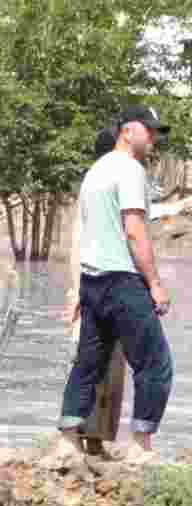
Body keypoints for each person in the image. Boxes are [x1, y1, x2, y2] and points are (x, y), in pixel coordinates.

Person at [53, 104, 174, 465]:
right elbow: (134, 232)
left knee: (88, 364)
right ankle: (140, 447)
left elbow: (87, 232)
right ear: (127, 130)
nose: (153, 138)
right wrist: (154, 283)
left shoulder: (95, 171)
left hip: (93, 281)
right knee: (155, 363)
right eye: (148, 130)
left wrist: (77, 289)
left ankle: (68, 441)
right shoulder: (130, 170)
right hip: (122, 280)